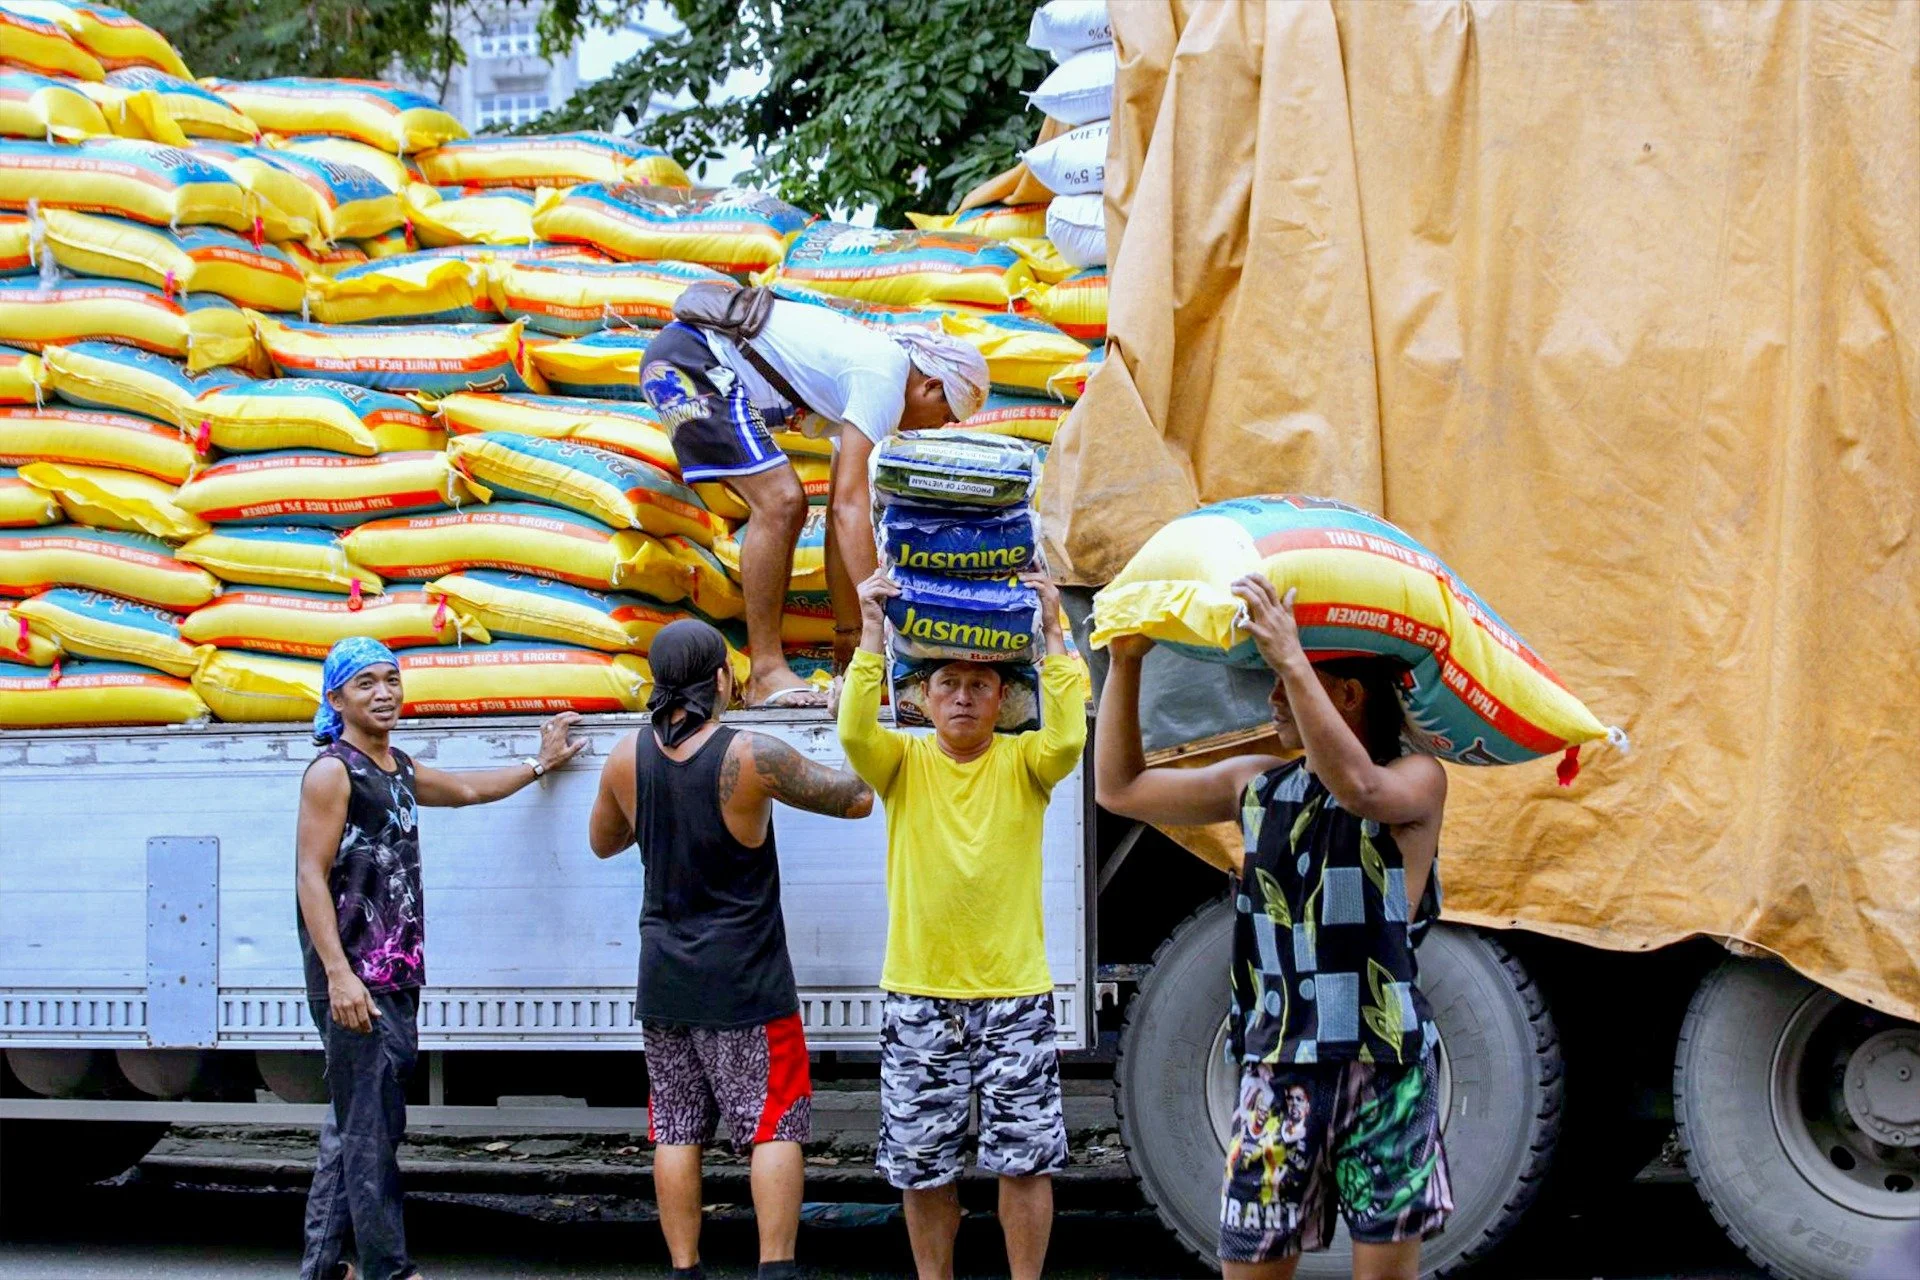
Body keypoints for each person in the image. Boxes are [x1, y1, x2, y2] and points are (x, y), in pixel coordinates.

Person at [1093, 575, 1453, 1280]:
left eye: (1282, 684)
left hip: (1384, 1069)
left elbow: (1359, 788)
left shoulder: (1417, 780)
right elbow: (1120, 788)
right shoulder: (1258, 783)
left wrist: (1292, 655)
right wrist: (1126, 664)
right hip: (1275, 1069)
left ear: (1346, 695)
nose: (1271, 700)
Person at [586, 618, 876, 1280]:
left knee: (676, 1127)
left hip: (664, 977)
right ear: (721, 679)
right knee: (773, 1124)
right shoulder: (750, 754)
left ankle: (685, 1268)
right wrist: (851, 721)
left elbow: (603, 842)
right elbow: (857, 798)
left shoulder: (626, 757)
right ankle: (775, 1268)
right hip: (747, 980)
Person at [296, 637, 585, 1280]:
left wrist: (538, 765)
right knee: (369, 1133)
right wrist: (340, 976)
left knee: (359, 1124)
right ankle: (388, 1270)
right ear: (336, 698)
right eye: (366, 683)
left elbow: (466, 790)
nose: (384, 694)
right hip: (356, 978)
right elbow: (309, 876)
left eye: (391, 680)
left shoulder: (395, 766)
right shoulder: (332, 772)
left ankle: (322, 1269)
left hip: (394, 973)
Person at [836, 568, 1087, 1280]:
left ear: (1003, 699)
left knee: (1026, 1161)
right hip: (920, 995)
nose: (964, 697)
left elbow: (1068, 738)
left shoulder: (1025, 761)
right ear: (922, 698)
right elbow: (854, 729)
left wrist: (1053, 630)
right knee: (922, 1165)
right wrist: (871, 631)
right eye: (948, 684)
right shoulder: (902, 761)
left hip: (1014, 996)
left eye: (980, 685)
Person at [640, 297, 989, 707]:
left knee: (788, 503)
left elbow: (844, 517)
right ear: (929, 386)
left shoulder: (868, 385)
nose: (937, 428)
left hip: (694, 357)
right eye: (945, 416)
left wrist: (851, 634)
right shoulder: (884, 375)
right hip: (691, 360)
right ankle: (766, 672)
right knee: (781, 501)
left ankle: (770, 671)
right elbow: (848, 509)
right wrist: (882, 619)